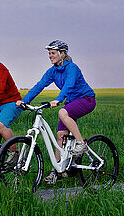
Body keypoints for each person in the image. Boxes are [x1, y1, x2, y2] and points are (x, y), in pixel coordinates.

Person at [18, 40, 96, 181]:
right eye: (49, 53)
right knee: (60, 134)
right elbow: (39, 85)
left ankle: (80, 144)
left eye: (53, 53)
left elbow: (69, 86)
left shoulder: (72, 68)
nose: (50, 56)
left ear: (62, 53)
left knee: (62, 112)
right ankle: (58, 170)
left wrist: (58, 100)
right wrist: (25, 101)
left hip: (86, 99)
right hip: (72, 102)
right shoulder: (53, 71)